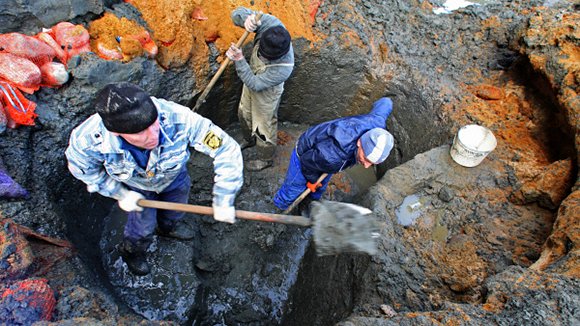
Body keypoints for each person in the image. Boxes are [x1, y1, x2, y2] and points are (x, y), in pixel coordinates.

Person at [65, 82, 243, 275]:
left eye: (154, 123)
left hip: (174, 177)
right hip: (137, 188)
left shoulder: (179, 118)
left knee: (176, 210)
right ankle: (133, 252)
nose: (153, 135)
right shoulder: (88, 141)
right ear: (117, 132)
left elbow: (226, 149)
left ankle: (168, 228)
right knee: (141, 228)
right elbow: (84, 171)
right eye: (141, 132)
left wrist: (224, 198)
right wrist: (119, 193)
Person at [273, 97, 395, 212]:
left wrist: (388, 100)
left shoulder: (377, 127)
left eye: (373, 163)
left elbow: (385, 104)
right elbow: (306, 162)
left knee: (319, 188)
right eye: (366, 158)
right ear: (359, 142)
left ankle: (308, 204)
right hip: (305, 154)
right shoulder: (333, 157)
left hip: (323, 156)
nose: (367, 166)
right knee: (293, 190)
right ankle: (279, 207)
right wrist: (312, 180)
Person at [225, 7, 294, 171]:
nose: (261, 57)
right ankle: (248, 139)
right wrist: (246, 19)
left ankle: (265, 158)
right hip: (251, 77)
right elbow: (235, 14)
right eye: (261, 52)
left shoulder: (284, 68)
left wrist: (240, 60)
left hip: (266, 94)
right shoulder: (271, 25)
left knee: (263, 128)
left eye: (266, 57)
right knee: (244, 113)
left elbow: (255, 84)